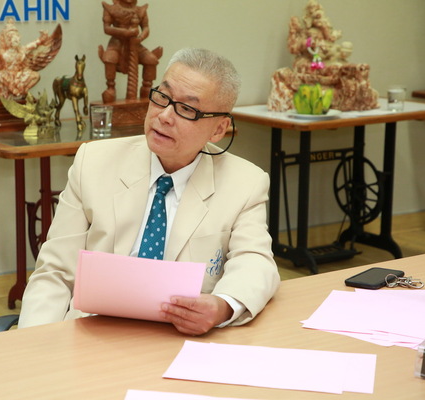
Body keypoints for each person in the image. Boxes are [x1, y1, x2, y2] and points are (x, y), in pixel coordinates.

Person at [19, 48, 280, 335]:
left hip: (181, 336)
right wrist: (35, 345)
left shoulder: (245, 183)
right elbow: (54, 273)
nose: (165, 116)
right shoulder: (92, 162)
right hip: (93, 331)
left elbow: (255, 262)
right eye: (162, 97)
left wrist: (222, 306)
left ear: (219, 129)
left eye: (187, 109)